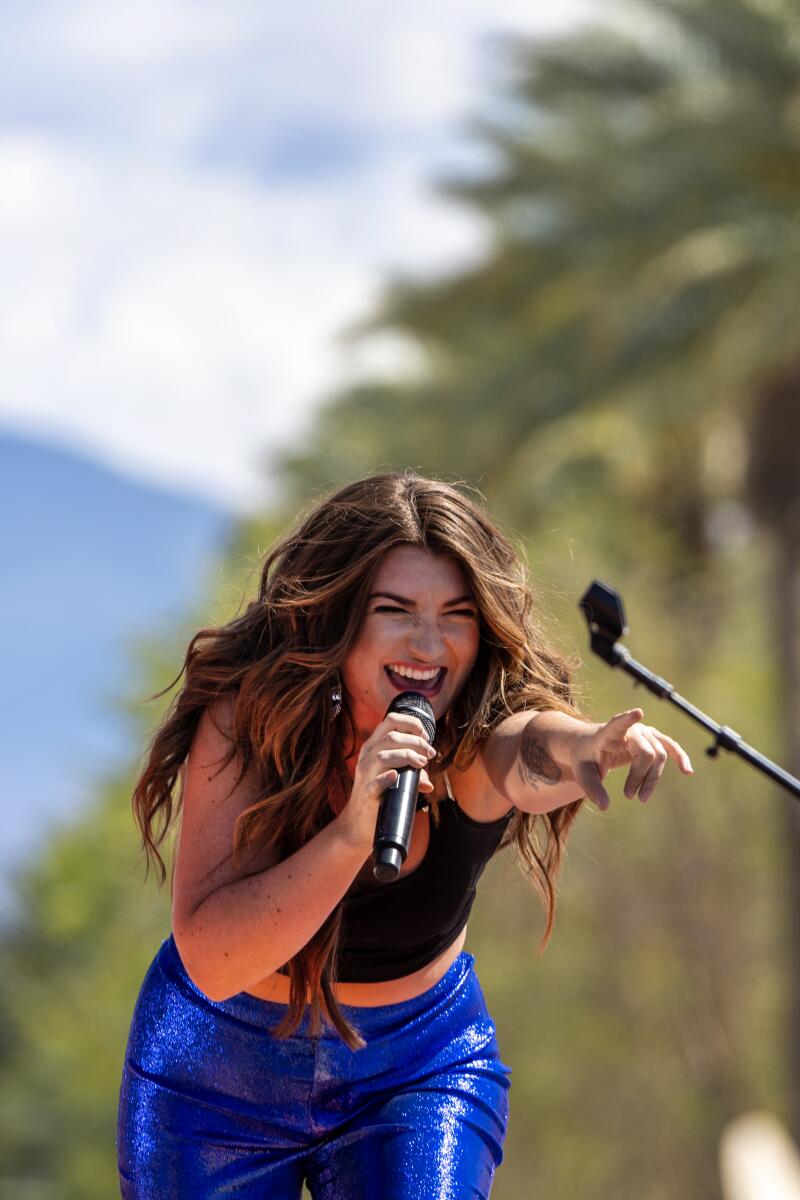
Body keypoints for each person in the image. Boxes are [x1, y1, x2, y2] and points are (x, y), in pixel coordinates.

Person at [116, 471, 693, 1198]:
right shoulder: (251, 722)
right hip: (217, 1074)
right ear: (338, 619)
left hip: (417, 1065)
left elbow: (531, 750)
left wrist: (588, 748)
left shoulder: (476, 736)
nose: (429, 644)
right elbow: (210, 959)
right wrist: (354, 832)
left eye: (456, 614)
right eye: (395, 610)